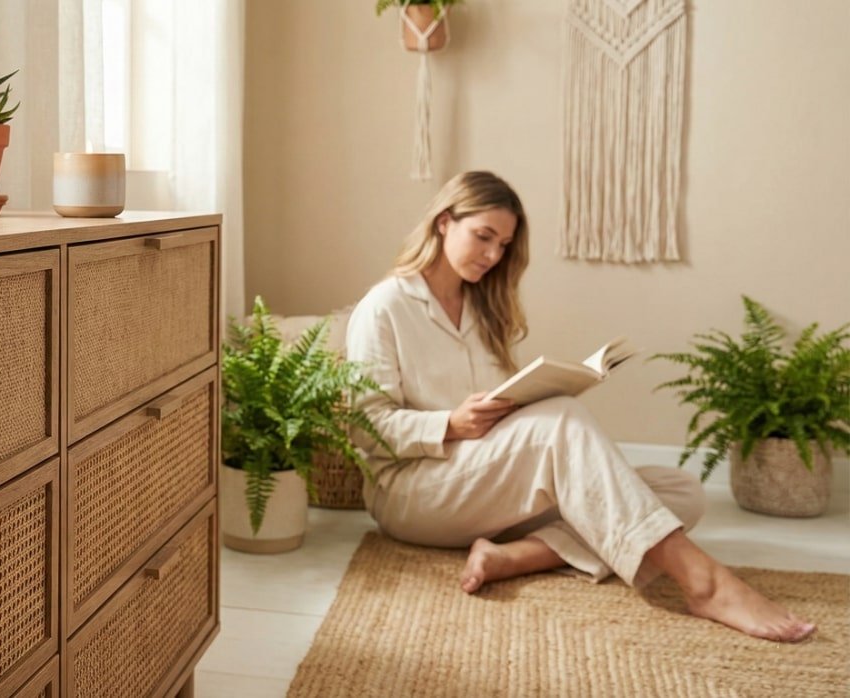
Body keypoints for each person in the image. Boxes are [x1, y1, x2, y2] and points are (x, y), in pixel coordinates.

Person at [344, 170, 815, 643]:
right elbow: (365, 427)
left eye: (504, 245)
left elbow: (502, 416)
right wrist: (448, 423)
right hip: (413, 491)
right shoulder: (385, 306)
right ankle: (705, 583)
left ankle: (513, 556)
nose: (492, 256)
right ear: (444, 222)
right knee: (568, 432)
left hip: (485, 480)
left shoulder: (484, 308)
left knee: (680, 491)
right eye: (483, 237)